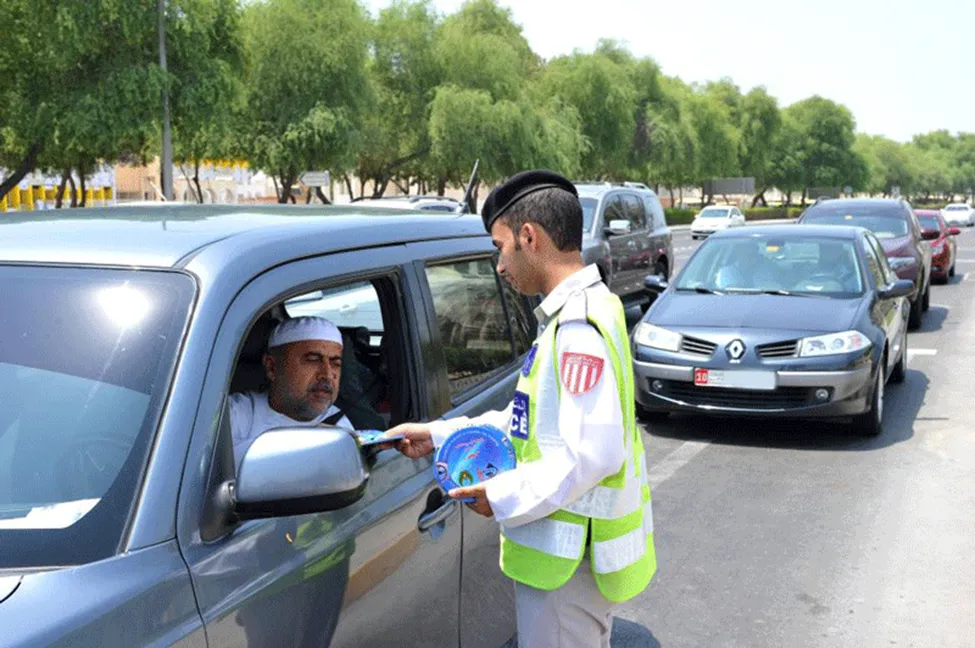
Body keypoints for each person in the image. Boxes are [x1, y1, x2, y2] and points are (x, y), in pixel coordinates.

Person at [387, 170, 657, 648]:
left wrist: (501, 494)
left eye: (500, 246)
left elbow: (590, 454)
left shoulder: (577, 329)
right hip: (570, 567)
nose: (498, 265)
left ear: (528, 237)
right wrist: (443, 434)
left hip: (567, 569)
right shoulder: (588, 310)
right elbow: (532, 423)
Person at [229, 316, 352, 466]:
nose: (327, 374)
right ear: (272, 367)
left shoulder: (338, 425)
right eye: (312, 360)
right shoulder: (236, 414)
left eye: (335, 363)